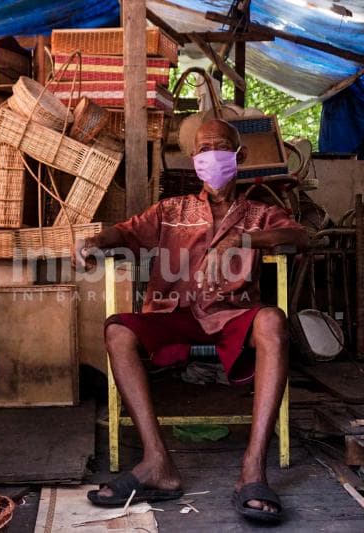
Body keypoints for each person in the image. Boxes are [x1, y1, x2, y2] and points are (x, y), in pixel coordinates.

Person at [73, 119, 308, 523]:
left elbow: (304, 238)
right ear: (193, 159)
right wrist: (94, 240)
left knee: (272, 321)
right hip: (175, 313)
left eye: (219, 147)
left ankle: (253, 469)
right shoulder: (171, 210)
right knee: (118, 330)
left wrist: (244, 239)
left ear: (240, 155)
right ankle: (156, 463)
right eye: (203, 149)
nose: (210, 155)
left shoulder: (259, 213)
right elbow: (125, 232)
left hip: (233, 313)